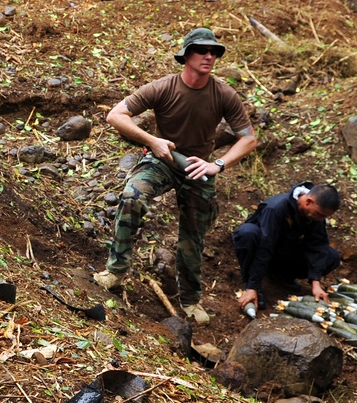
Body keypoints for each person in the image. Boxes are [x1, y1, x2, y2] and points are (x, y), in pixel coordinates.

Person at [93, 28, 258, 325]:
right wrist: (151, 141)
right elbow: (116, 115)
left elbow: (248, 138)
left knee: (193, 235)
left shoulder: (223, 93)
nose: (210, 56)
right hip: (163, 160)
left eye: (214, 52)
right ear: (186, 55)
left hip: (198, 168)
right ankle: (116, 273)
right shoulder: (164, 88)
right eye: (202, 51)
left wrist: (217, 164)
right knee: (133, 195)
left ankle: (191, 299)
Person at [233, 182, 342, 312]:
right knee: (248, 233)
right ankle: (251, 284)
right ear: (308, 202)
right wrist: (253, 286)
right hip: (262, 248)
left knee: (332, 257)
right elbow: (265, 246)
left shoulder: (315, 214)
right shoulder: (276, 208)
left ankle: (281, 277)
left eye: (324, 216)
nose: (321, 219)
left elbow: (317, 245)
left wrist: (315, 282)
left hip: (284, 251)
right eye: (320, 215)